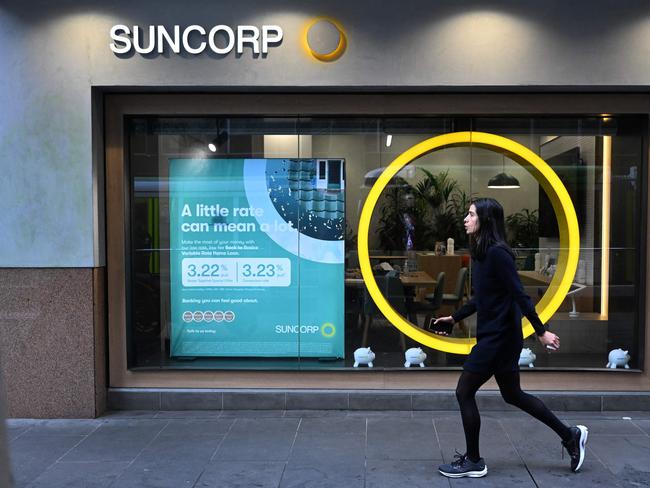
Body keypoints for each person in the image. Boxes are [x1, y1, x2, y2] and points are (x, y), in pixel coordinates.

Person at [433, 198, 588, 479]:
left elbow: (520, 294)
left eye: (471, 215)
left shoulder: (498, 254)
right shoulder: (481, 253)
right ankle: (570, 435)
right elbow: (482, 298)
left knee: (464, 391)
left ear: (486, 220)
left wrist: (541, 332)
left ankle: (474, 461)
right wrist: (454, 318)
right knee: (513, 394)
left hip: (500, 338)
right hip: (496, 335)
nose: (466, 219)